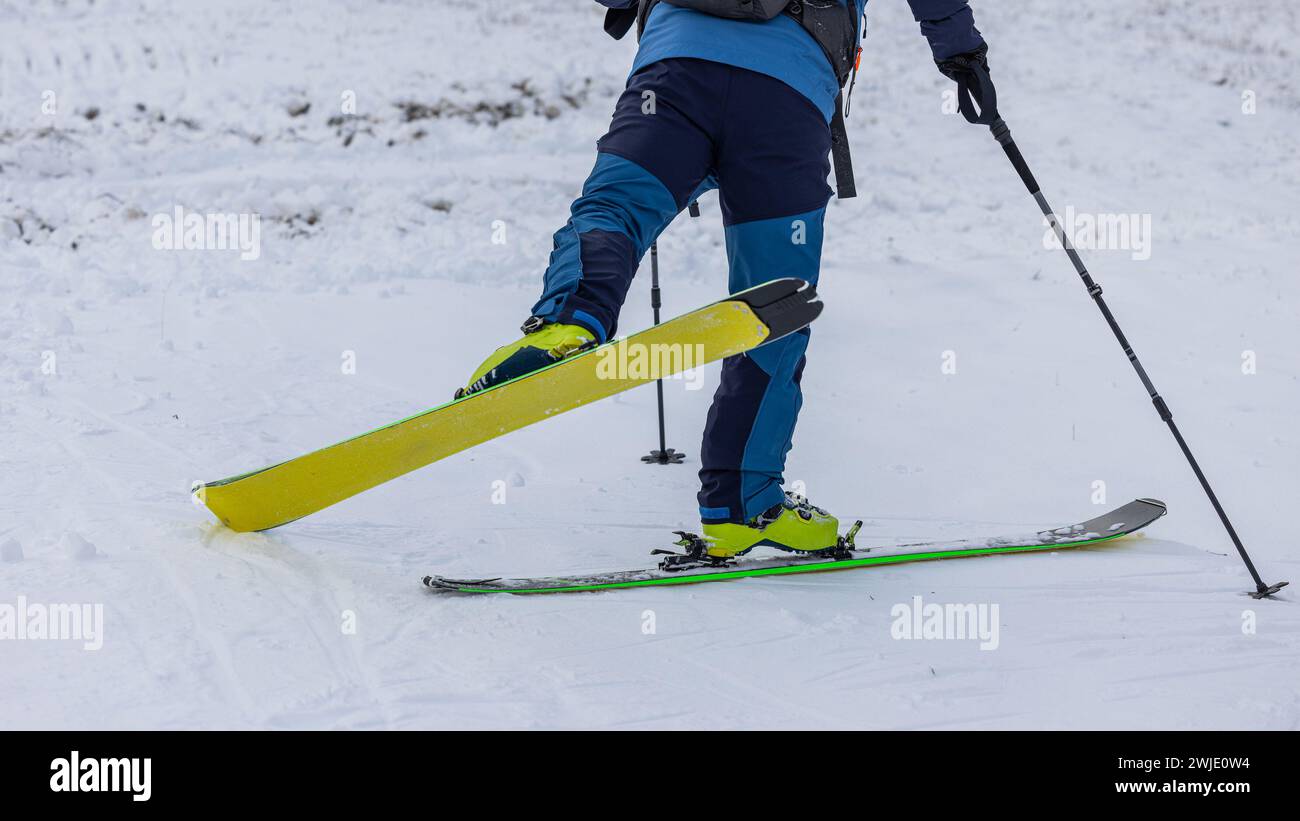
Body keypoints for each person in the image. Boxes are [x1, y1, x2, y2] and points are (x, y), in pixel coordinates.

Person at [461, 1, 989, 558]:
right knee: (776, 306)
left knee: (614, 208)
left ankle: (567, 322)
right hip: (788, 96)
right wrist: (961, 51)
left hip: (674, 77)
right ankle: (745, 503)